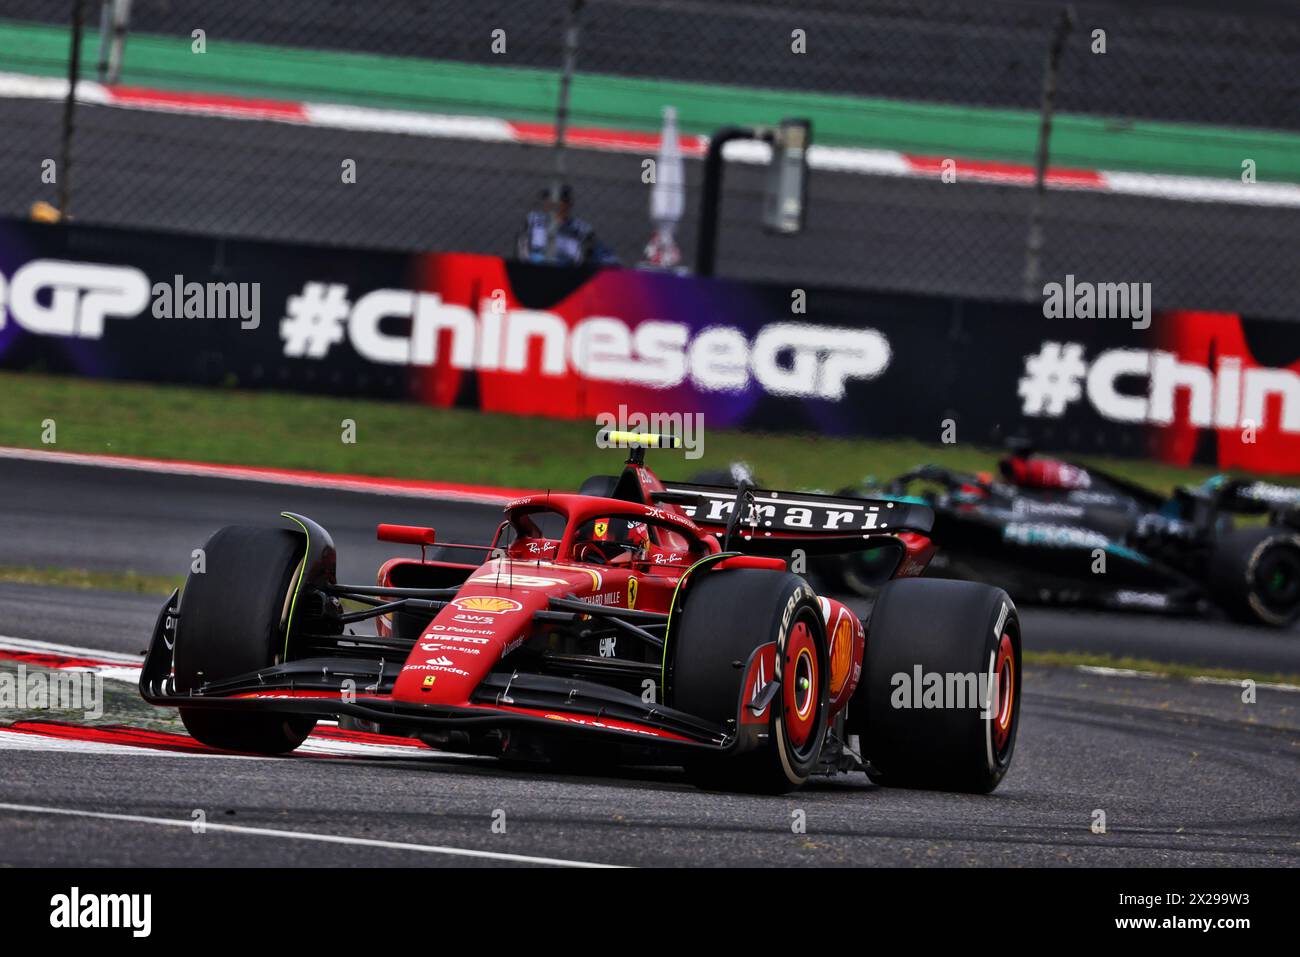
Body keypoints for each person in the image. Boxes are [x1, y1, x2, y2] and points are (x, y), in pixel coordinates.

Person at [515, 184, 619, 266]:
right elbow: (522, 249)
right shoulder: (533, 220)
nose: (549, 204)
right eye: (547, 199)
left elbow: (607, 258)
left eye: (555, 200)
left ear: (568, 204)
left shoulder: (581, 230)